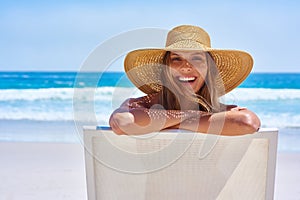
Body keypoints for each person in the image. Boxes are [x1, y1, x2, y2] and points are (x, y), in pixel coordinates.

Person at [109, 25, 260, 136]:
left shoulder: (225, 111)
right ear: (165, 69)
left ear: (209, 70)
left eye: (196, 58)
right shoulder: (141, 104)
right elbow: (122, 122)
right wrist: (193, 115)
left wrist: (163, 122)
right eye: (176, 59)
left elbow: (248, 122)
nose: (186, 67)